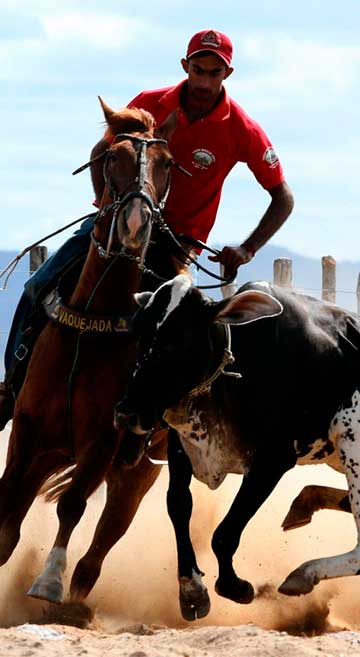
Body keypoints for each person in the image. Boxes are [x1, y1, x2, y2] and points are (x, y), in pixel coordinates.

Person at [0, 28, 294, 430]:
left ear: (228, 73)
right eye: (198, 70)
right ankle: (10, 386)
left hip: (177, 243)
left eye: (214, 72)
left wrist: (246, 249)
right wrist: (107, 207)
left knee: (188, 329)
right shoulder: (149, 104)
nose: (205, 80)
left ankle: (179, 423)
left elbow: (283, 198)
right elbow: (100, 152)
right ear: (185, 67)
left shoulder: (242, 128)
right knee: (39, 286)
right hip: (118, 225)